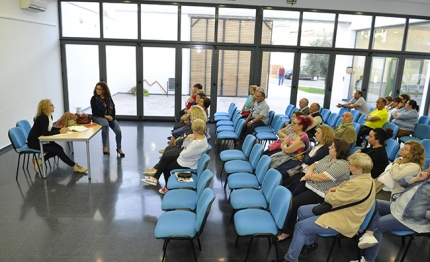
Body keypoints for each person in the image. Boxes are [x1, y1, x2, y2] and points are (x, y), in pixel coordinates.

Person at [279, 153, 375, 262]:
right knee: (301, 210)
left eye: (351, 165)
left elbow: (330, 199)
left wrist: (329, 192)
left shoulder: (357, 184)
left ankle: (290, 259)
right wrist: (336, 189)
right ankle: (309, 244)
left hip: (343, 219)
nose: (349, 167)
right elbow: (346, 190)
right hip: (342, 211)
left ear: (359, 169)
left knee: (300, 227)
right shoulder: (367, 179)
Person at [276, 139, 351, 242]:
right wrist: (309, 172)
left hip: (320, 193)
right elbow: (314, 164)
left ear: (339, 151)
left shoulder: (342, 164)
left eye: (332, 147)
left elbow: (323, 177)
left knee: (293, 204)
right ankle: (280, 219)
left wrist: (308, 177)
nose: (329, 147)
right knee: (288, 194)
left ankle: (287, 231)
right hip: (309, 184)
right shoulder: (330, 156)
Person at [352, 170, 430, 262]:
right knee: (371, 203)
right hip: (395, 206)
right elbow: (402, 182)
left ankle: (368, 259)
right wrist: (416, 178)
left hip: (408, 219)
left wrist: (418, 212)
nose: (428, 169)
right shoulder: (424, 175)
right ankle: (368, 234)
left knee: (377, 226)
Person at [141, 119, 208, 194]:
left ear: (195, 128)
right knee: (165, 159)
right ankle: (157, 180)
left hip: (187, 162)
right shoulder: (202, 137)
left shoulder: (196, 144)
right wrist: (189, 140)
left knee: (166, 166)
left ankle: (164, 185)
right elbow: (184, 148)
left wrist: (188, 139)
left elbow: (183, 152)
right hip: (189, 159)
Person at [27, 99, 88, 174]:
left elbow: (49, 128)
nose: (54, 106)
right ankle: (74, 166)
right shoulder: (43, 117)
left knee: (59, 149)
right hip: (35, 142)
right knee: (58, 150)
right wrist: (59, 131)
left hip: (43, 140)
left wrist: (61, 129)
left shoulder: (49, 116)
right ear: (46, 107)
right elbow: (45, 132)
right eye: (51, 105)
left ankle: (39, 161)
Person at [90, 81, 125, 157]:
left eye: (100, 89)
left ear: (104, 90)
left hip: (109, 117)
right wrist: (105, 116)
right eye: (97, 89)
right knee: (105, 124)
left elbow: (113, 108)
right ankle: (105, 147)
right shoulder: (94, 99)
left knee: (118, 132)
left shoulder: (108, 98)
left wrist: (112, 117)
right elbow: (95, 112)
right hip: (98, 116)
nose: (98, 90)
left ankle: (119, 148)